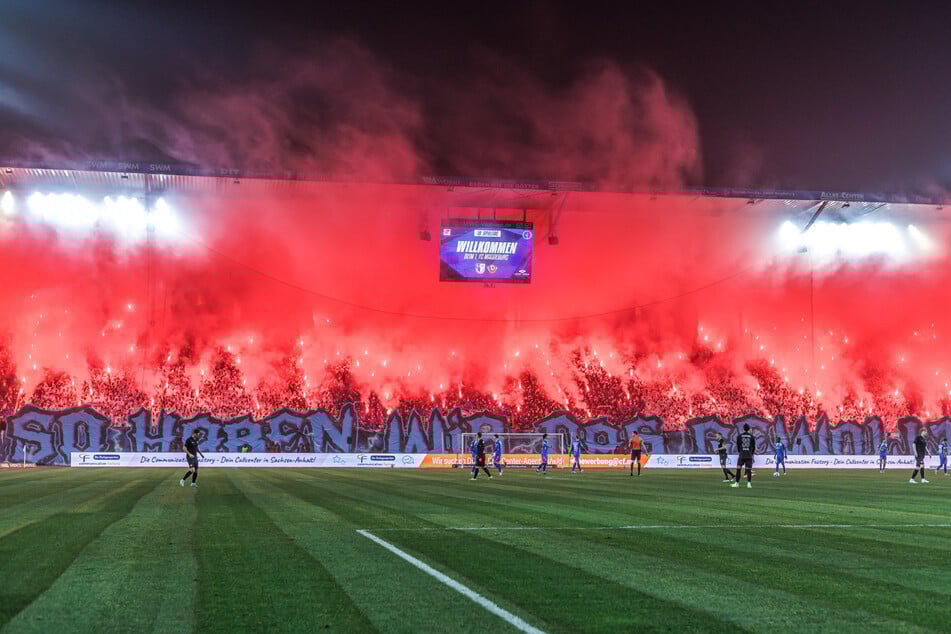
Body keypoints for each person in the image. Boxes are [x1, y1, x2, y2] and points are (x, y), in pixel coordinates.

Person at [731, 423, 755, 489]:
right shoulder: (752, 436)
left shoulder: (739, 436)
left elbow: (738, 446)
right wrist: (751, 453)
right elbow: (753, 447)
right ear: (749, 428)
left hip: (742, 455)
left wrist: (740, 452)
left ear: (743, 429)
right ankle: (749, 484)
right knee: (748, 470)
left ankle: (737, 483)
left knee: (738, 469)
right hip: (749, 455)